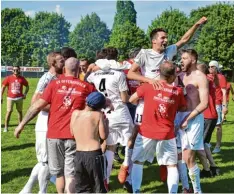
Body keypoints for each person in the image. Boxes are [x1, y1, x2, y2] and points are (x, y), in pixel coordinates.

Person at [127, 16, 207, 190]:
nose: (166, 40)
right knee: (137, 136)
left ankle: (173, 176)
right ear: (154, 41)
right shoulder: (144, 53)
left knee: (169, 141)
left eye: (166, 37)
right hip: (148, 98)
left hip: (167, 98)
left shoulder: (169, 52)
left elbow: (184, 39)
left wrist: (196, 25)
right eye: (162, 37)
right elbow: (130, 74)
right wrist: (149, 81)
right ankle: (128, 168)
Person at [14, 57, 95, 194]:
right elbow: (99, 104)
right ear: (79, 69)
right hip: (74, 135)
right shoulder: (87, 87)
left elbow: (37, 106)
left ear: (64, 69)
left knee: (59, 174)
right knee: (70, 174)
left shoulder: (54, 84)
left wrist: (21, 124)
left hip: (54, 135)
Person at [129, 61, 187, 193]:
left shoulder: (147, 87)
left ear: (159, 73)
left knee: (138, 161)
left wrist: (149, 99)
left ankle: (136, 190)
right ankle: (172, 192)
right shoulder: (177, 91)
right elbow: (183, 107)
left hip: (146, 132)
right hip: (167, 133)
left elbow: (132, 99)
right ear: (172, 76)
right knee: (171, 165)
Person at [86, 47, 134, 190]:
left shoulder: (95, 74)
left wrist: (92, 68)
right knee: (130, 141)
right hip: (120, 110)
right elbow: (124, 98)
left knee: (110, 146)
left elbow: (87, 78)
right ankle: (126, 166)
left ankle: (105, 180)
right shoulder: (119, 74)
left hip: (106, 112)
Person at [19, 51, 65, 194]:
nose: (64, 62)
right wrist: (59, 108)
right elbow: (35, 102)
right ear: (53, 63)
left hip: (53, 122)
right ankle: (42, 191)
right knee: (45, 161)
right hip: (44, 122)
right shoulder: (47, 78)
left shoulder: (59, 77)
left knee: (46, 161)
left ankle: (26, 190)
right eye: (61, 60)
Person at [179, 49, 209, 194]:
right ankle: (186, 188)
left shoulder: (201, 77)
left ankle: (197, 190)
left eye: (184, 58)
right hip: (179, 118)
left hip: (194, 119)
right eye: (181, 58)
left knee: (189, 156)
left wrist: (188, 118)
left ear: (193, 60)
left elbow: (204, 103)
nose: (181, 61)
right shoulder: (179, 75)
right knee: (180, 157)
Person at [70, 92, 109, 193]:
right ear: (99, 106)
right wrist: (106, 124)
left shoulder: (75, 113)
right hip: (94, 154)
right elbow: (103, 136)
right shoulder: (98, 115)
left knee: (82, 187)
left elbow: (72, 132)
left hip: (78, 155)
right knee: (98, 186)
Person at [196, 63, 220, 177]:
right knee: (204, 143)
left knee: (199, 144)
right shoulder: (209, 79)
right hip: (211, 116)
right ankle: (214, 167)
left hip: (207, 116)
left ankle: (206, 171)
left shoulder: (204, 81)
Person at [1, 65, 29, 132]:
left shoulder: (22, 78)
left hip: (19, 98)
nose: (15, 71)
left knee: (19, 112)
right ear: (12, 70)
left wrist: (24, 94)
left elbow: (27, 86)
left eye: (17, 69)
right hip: (10, 98)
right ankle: (6, 127)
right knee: (9, 112)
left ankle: (20, 126)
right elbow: (3, 88)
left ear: (19, 70)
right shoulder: (8, 78)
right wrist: (1, 97)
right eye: (14, 70)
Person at [208, 60, 228, 153]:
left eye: (212, 67)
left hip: (217, 104)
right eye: (209, 67)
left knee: (218, 125)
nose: (210, 68)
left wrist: (224, 106)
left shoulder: (221, 77)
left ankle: (218, 145)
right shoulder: (207, 77)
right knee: (207, 125)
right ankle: (207, 142)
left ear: (216, 68)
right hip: (207, 104)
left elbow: (224, 93)